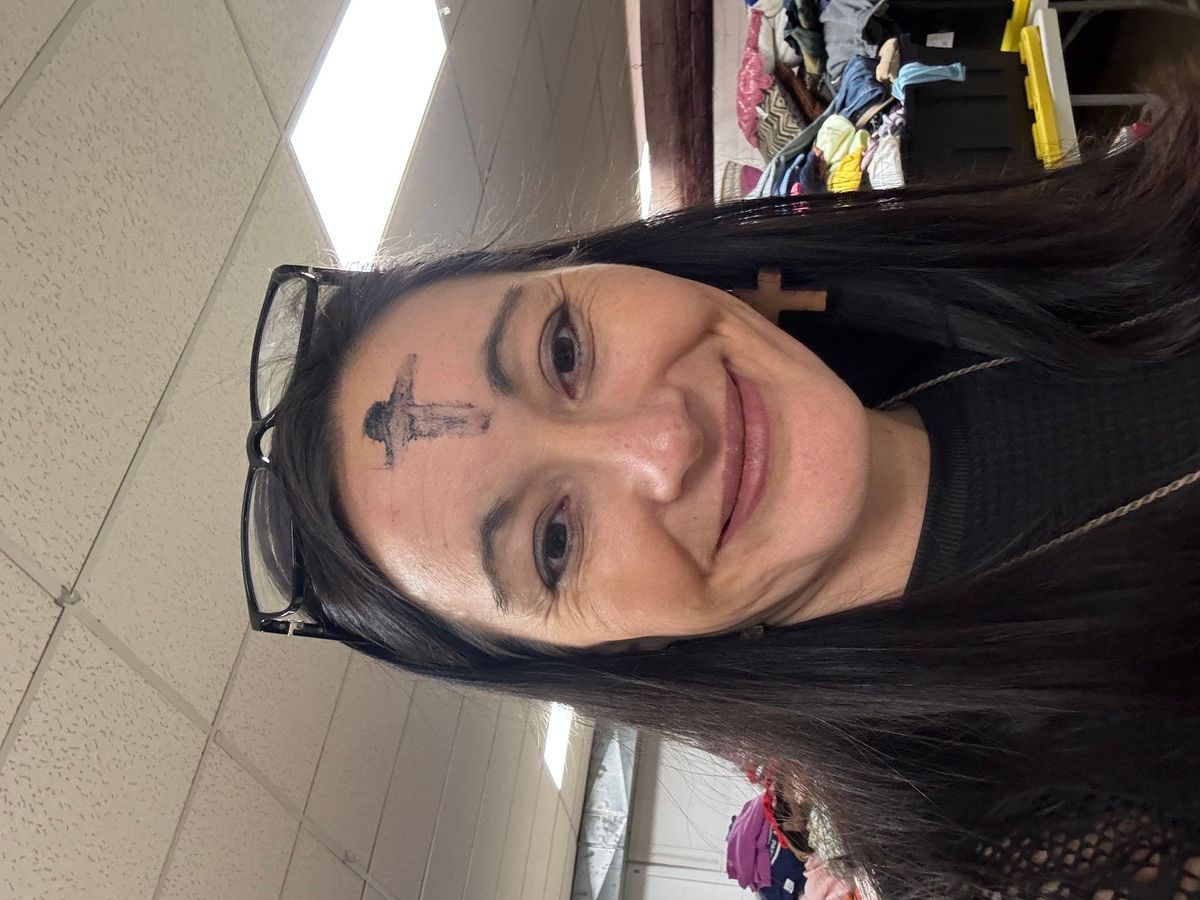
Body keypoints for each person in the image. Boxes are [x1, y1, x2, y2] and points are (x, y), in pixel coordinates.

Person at [242, 67, 1200, 900]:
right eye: (555, 542)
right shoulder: (1025, 850)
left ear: (602, 268)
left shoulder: (998, 276)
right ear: (612, 655)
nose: (664, 442)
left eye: (564, 351)